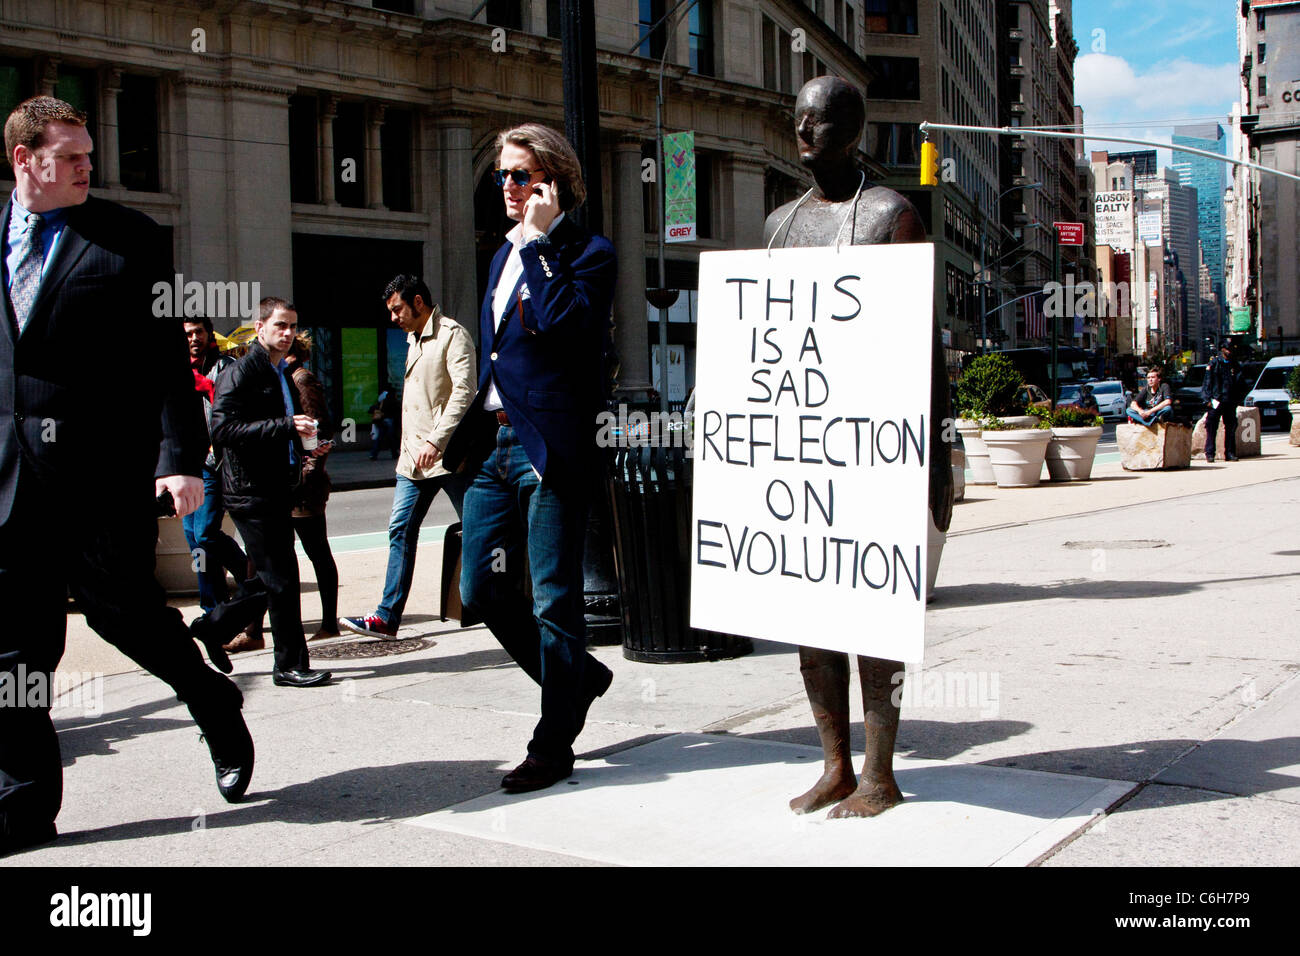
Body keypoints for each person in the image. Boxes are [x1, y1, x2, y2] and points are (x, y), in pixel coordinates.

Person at [0, 96, 254, 856]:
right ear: (24, 160)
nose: (88, 166)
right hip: (9, 485)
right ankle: (22, 809)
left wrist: (179, 459)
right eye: (70, 155)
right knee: (15, 653)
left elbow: (164, 364)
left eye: (87, 154)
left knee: (128, 619)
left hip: (97, 479)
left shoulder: (129, 238)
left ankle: (212, 700)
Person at [762, 76, 954, 818]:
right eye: (798, 116)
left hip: (875, 447)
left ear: (852, 130)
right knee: (813, 624)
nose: (804, 129)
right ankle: (833, 764)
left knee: (872, 620)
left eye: (819, 119)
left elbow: (925, 344)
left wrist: (937, 449)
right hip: (801, 450)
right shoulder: (780, 224)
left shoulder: (890, 215)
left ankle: (881, 771)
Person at [442, 123, 616, 794]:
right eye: (502, 177)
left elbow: (570, 326)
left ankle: (553, 743)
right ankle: (578, 681)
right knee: (481, 588)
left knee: (553, 599)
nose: (508, 188)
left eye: (521, 176)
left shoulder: (587, 252)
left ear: (553, 180)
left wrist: (542, 244)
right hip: (493, 446)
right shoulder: (499, 257)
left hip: (549, 446)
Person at [341, 275, 475, 640]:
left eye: (397, 308)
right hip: (413, 462)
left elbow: (464, 394)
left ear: (418, 302)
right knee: (400, 530)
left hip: (449, 457)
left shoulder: (452, 334)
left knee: (480, 530)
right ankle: (387, 617)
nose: (393, 317)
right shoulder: (411, 339)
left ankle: (503, 601)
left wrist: (437, 439)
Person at [210, 297, 331, 688]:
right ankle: (289, 665)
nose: (288, 333)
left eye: (293, 326)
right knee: (281, 580)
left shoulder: (282, 372)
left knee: (273, 579)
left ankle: (213, 627)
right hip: (250, 492)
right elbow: (223, 430)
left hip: (277, 488)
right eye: (280, 325)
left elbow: (283, 428)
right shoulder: (243, 370)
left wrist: (306, 444)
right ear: (259, 327)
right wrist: (283, 426)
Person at [181, 317, 251, 612]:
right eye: (187, 334)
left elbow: (234, 408)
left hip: (213, 461)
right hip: (185, 465)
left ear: (209, 334)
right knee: (195, 541)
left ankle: (251, 578)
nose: (194, 338)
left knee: (206, 533)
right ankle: (214, 608)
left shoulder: (224, 367)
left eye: (199, 332)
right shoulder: (177, 369)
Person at [285, 333, 339, 639]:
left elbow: (319, 432)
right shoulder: (281, 377)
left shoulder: (301, 379)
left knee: (317, 551)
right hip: (286, 483)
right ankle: (254, 628)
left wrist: (306, 477)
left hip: (303, 487)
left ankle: (329, 624)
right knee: (267, 557)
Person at [1201, 339, 1239, 462]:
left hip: (1230, 399)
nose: (1229, 351)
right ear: (1222, 349)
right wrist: (1207, 399)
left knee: (1231, 427)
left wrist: (1238, 398)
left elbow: (1240, 382)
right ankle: (1210, 453)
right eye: (1227, 348)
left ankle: (1230, 452)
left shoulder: (1234, 364)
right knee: (1211, 427)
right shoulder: (1214, 363)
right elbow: (1207, 382)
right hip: (1216, 400)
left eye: (1231, 348)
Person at [368, 383, 399, 461]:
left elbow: (376, 405)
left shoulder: (381, 396)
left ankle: (373, 454)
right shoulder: (390, 396)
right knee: (391, 438)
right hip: (388, 419)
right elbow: (395, 408)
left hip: (381, 420)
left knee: (379, 438)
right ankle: (394, 453)